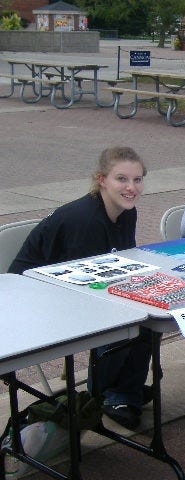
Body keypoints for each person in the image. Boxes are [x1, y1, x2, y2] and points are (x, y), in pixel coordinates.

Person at [8, 146, 152, 431]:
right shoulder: (85, 220)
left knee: (146, 316)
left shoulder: (126, 212)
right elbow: (87, 287)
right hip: (30, 297)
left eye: (137, 180)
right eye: (122, 179)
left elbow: (120, 264)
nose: (131, 187)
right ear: (102, 180)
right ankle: (106, 394)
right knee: (123, 317)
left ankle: (125, 391)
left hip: (67, 287)